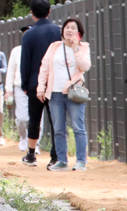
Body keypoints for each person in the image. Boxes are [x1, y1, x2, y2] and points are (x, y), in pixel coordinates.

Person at [37, 18, 91, 171]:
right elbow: (44, 68)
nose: (69, 30)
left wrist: (75, 49)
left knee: (78, 127)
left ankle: (81, 161)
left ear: (78, 32)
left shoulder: (83, 47)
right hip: (55, 93)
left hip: (74, 93)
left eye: (73, 28)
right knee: (58, 128)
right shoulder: (54, 47)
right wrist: (41, 87)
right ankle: (61, 160)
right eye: (67, 27)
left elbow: (85, 66)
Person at [20, 0, 61, 168]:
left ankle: (31, 154)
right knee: (55, 119)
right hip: (55, 82)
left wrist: (24, 84)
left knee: (35, 118)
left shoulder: (29, 34)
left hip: (34, 82)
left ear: (32, 13)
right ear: (49, 11)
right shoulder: (58, 31)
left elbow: (25, 62)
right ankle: (55, 155)